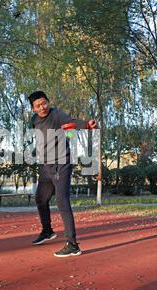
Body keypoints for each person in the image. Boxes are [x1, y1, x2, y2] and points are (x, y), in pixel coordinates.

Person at [28, 90, 97, 257]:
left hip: (61, 163)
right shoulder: (34, 120)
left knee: (61, 200)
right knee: (40, 199)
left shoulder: (57, 115)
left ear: (48, 102)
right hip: (46, 166)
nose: (42, 107)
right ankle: (47, 231)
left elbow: (72, 122)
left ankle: (72, 244)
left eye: (44, 103)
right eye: (38, 105)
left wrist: (87, 125)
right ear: (33, 109)